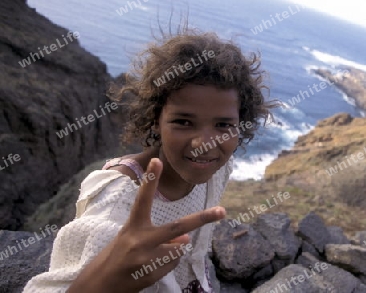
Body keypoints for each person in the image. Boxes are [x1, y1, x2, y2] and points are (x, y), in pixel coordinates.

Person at [23, 26, 275, 292]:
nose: (205, 143)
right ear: (156, 120)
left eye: (224, 125)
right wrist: (101, 283)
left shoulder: (219, 168)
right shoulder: (119, 198)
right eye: (183, 122)